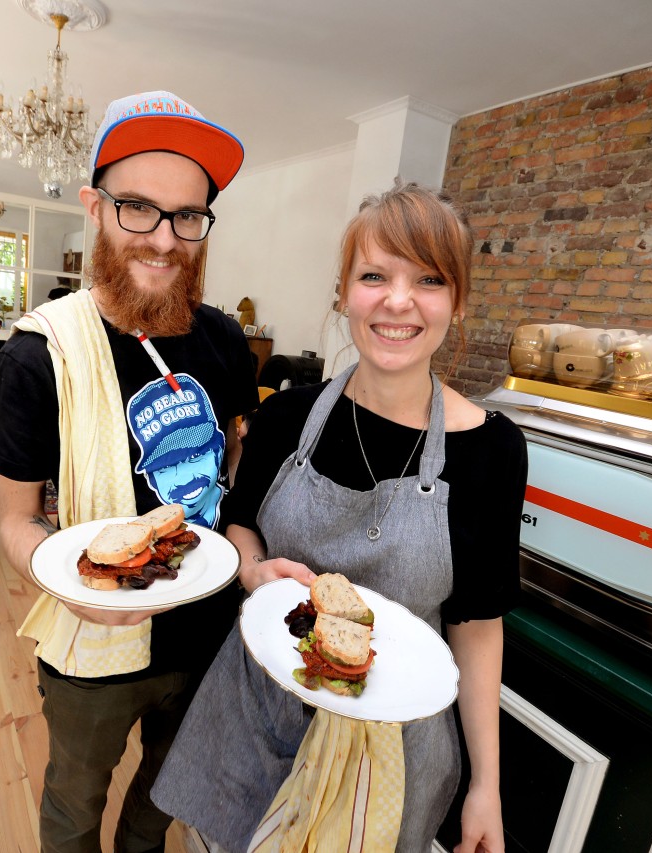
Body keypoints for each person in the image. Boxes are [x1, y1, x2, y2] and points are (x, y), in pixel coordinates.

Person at [151, 184, 528, 853]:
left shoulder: (491, 450)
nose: (398, 300)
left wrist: (487, 786)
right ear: (344, 293)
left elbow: (476, 626)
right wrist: (254, 571)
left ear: (458, 300)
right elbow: (240, 525)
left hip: (393, 751)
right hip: (258, 715)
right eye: (374, 275)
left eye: (430, 280)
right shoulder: (288, 416)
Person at [0, 90, 256, 852]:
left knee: (167, 788)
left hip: (209, 629)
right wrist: (68, 582)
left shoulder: (225, 340)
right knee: (75, 805)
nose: (165, 239)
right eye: (138, 207)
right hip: (93, 643)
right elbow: (15, 518)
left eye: (187, 216)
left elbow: (233, 460)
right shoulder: (38, 354)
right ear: (95, 207)